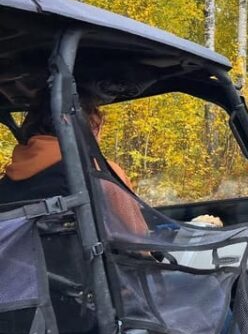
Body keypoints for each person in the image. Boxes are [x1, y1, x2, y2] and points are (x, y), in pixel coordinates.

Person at [0, 91, 147, 235]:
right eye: (99, 128)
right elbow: (139, 239)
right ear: (92, 127)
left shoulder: (6, 184)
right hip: (85, 259)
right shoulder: (101, 171)